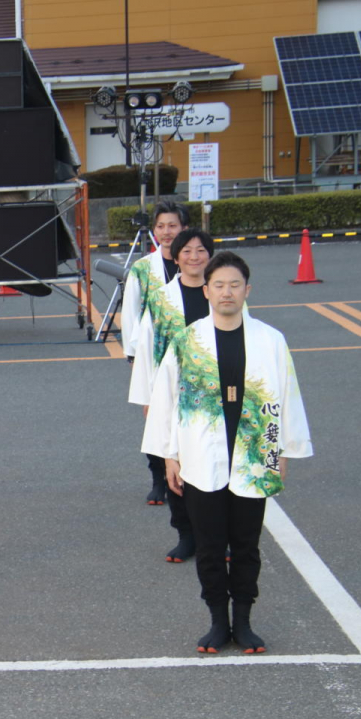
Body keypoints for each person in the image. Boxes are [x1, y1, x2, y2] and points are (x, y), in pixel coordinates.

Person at [143, 252, 312, 654]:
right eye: (218, 285)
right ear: (206, 291)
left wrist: (283, 450)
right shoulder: (188, 341)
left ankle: (244, 622)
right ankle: (218, 621)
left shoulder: (270, 340)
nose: (226, 292)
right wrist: (170, 455)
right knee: (209, 545)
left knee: (247, 544)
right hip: (201, 458)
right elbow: (166, 399)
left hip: (255, 455)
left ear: (247, 291)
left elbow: (287, 397)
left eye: (235, 285)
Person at [129, 229, 218, 564]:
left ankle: (217, 537)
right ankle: (186, 535)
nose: (194, 257)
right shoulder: (163, 300)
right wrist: (149, 399)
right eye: (187, 251)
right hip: (175, 398)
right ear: (176, 256)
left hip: (217, 398)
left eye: (201, 251)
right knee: (177, 469)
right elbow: (148, 350)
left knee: (216, 469)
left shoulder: (220, 293)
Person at [125, 201, 187, 506]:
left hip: (192, 355)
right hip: (154, 355)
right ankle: (158, 477)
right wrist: (133, 354)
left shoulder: (194, 263)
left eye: (172, 225)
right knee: (155, 418)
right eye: (160, 226)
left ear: (184, 229)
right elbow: (131, 313)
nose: (166, 232)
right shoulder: (142, 268)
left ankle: (189, 475)